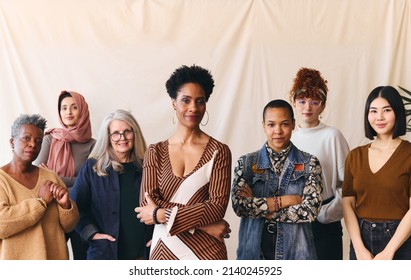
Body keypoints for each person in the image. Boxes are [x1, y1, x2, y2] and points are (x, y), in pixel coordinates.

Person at [135, 65, 232, 260]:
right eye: (185, 100)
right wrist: (204, 224)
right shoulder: (155, 151)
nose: (193, 108)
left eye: (200, 101)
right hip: (165, 250)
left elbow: (217, 207)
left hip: (207, 253)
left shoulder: (219, 151)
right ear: (173, 103)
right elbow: (146, 204)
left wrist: (161, 215)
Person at [231, 99, 323, 260]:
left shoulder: (310, 163)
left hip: (297, 254)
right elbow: (240, 206)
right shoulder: (245, 164)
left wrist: (261, 209)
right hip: (252, 254)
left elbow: (310, 211)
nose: (278, 131)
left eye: (285, 124)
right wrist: (286, 200)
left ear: (294, 124)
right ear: (263, 126)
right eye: (271, 124)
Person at [342, 86, 411, 260]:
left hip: (401, 241)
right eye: (373, 111)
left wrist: (389, 251)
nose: (379, 117)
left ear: (397, 113)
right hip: (361, 239)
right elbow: (348, 204)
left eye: (386, 110)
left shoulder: (409, 154)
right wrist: (358, 248)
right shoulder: (355, 156)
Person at [70, 109, 149, 260]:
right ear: (107, 137)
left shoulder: (147, 167)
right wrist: (92, 234)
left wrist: (155, 237)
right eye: (115, 133)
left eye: (127, 131)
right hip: (105, 255)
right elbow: (75, 208)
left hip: (144, 255)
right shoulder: (92, 168)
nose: (122, 138)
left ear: (135, 133)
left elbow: (162, 204)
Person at [289, 67, 349, 259]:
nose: (307, 107)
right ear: (294, 102)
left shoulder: (332, 136)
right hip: (293, 225)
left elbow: (349, 184)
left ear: (322, 106)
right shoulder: (287, 138)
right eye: (302, 101)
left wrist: (327, 213)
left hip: (325, 226)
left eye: (314, 102)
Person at [0, 114, 79, 259]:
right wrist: (41, 202)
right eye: (26, 138)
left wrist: (66, 206)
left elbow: (70, 226)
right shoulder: (2, 180)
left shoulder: (50, 177)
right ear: (12, 142)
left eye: (39, 141)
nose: (33, 144)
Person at [34, 90, 96, 260]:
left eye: (74, 107)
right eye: (64, 108)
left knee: (82, 261)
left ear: (82, 110)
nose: (68, 112)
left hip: (81, 211)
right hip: (51, 211)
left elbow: (92, 182)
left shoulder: (93, 145)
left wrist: (53, 176)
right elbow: (38, 175)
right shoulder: (50, 139)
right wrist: (76, 180)